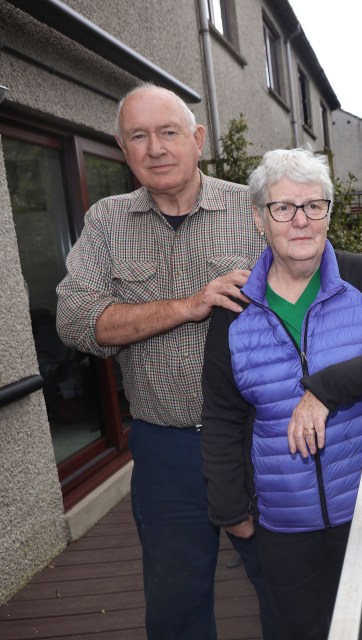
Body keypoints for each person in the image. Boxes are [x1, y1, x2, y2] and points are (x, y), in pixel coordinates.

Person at [56, 83, 275, 640]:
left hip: (259, 441)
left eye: (169, 132)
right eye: (139, 136)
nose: (155, 148)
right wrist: (188, 305)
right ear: (123, 149)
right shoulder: (108, 221)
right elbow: (76, 320)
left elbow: (314, 296)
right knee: (176, 606)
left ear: (198, 139)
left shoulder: (253, 210)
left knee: (285, 588)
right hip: (164, 446)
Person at [200, 147, 362, 639]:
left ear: (328, 210)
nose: (300, 220)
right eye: (283, 208)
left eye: (313, 205)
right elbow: (221, 414)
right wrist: (230, 509)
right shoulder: (234, 309)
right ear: (259, 218)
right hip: (281, 523)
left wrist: (326, 388)